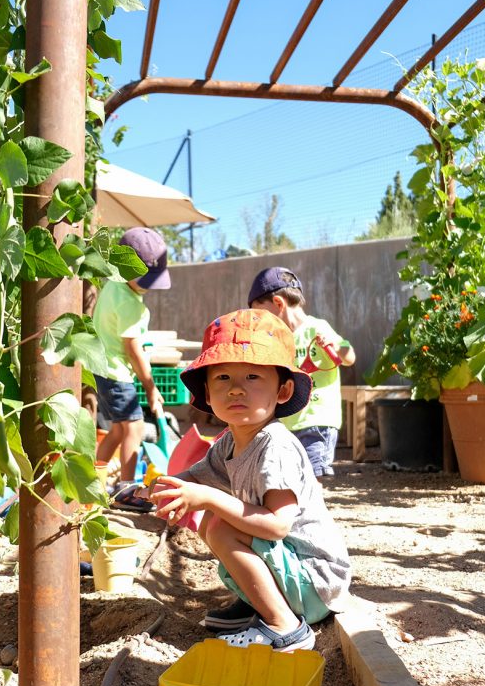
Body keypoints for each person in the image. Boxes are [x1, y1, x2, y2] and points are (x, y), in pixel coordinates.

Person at [146, 309, 351, 652]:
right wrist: (159, 488)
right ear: (207, 395)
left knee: (220, 523)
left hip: (316, 581)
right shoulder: (230, 440)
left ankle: (285, 627)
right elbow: (196, 476)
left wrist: (208, 498)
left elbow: (276, 526)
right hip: (293, 571)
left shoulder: (276, 446)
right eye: (223, 378)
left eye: (253, 377)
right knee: (217, 519)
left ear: (283, 391)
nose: (237, 389)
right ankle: (261, 601)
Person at [247, 266, 355, 480]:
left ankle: (310, 513)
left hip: (316, 421)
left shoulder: (318, 328)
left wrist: (336, 347)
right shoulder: (276, 338)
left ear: (278, 304)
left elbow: (350, 357)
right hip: (287, 423)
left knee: (311, 478)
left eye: (260, 315)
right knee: (288, 477)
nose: (259, 323)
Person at [93, 228, 170, 496]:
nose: (149, 285)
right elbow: (134, 350)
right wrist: (150, 387)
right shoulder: (131, 305)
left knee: (117, 430)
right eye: (145, 278)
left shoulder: (112, 286)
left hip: (101, 369)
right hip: (116, 373)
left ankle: (94, 483)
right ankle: (125, 490)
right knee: (135, 427)